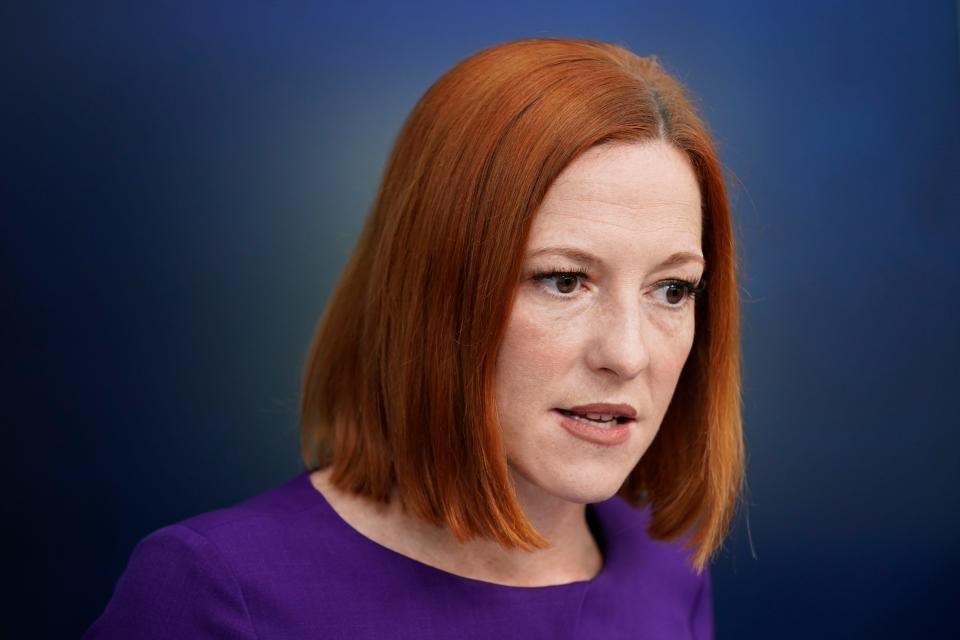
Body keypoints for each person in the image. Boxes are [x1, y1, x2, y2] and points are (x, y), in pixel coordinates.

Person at [84, 36, 743, 639]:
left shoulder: (668, 565)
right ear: (433, 288)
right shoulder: (214, 589)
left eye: (672, 290)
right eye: (564, 280)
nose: (628, 354)